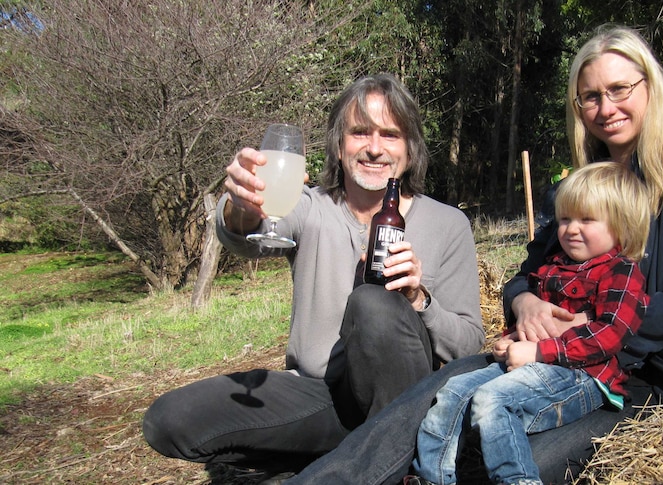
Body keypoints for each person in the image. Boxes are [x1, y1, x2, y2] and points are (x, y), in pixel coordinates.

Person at [281, 23, 663, 484]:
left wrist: (588, 325)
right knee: (428, 403)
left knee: (505, 456)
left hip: (633, 377)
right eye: (590, 96)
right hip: (540, 355)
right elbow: (524, 276)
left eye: (618, 89)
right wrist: (525, 302)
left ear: (649, 88)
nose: (605, 107)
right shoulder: (580, 186)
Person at [141, 73, 485, 479]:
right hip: (321, 396)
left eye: (390, 135)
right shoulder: (309, 205)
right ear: (339, 146)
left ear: (410, 151)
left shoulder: (448, 223)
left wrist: (417, 300)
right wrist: (241, 206)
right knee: (170, 419)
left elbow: (469, 345)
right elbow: (247, 235)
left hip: (407, 404)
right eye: (360, 132)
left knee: (373, 303)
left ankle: (382, 461)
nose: (374, 148)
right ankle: (347, 455)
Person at [408, 162, 651, 485]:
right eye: (565, 219)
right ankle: (432, 477)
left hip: (585, 376)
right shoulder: (553, 267)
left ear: (621, 226)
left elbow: (610, 335)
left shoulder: (621, 272)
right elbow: (534, 323)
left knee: (493, 401)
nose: (571, 229)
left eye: (587, 220)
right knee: (453, 391)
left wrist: (538, 351)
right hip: (534, 364)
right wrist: (510, 339)